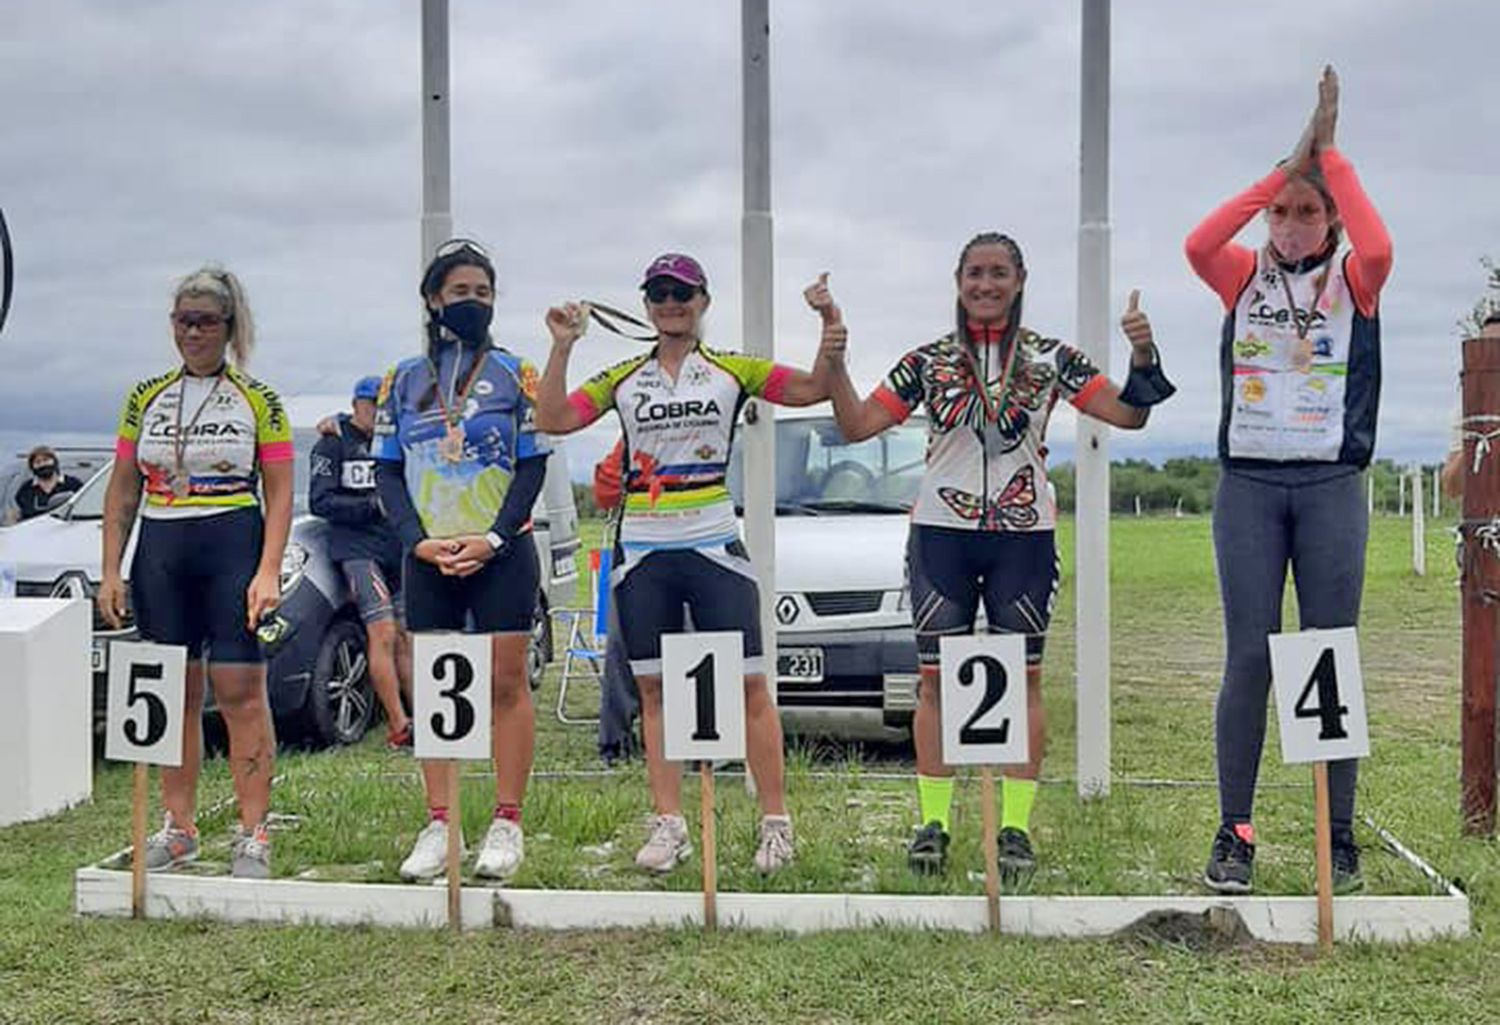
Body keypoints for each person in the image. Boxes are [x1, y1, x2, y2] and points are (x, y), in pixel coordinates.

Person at [821, 233, 1172, 883]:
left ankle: (1014, 827)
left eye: (999, 273)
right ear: (957, 281)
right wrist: (834, 359)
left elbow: (1127, 416)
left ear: (1020, 280)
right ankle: (935, 823)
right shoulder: (927, 361)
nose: (986, 284)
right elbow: (857, 425)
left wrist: (1143, 352)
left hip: (1023, 533)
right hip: (941, 532)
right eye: (975, 273)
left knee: (1024, 679)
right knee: (933, 681)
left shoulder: (1050, 358)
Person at [536, 252, 841, 874]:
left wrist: (829, 330)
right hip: (643, 550)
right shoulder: (624, 376)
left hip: (713, 543)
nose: (671, 303)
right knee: (654, 690)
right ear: (646, 305)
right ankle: (669, 823)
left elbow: (811, 389)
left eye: (683, 293)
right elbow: (553, 419)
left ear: (704, 301)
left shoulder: (732, 369)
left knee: (751, 686)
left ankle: (776, 825)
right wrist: (563, 346)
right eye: (659, 294)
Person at [1184, 66, 1392, 894]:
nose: (1293, 223)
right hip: (1250, 490)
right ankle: (1235, 828)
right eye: (1282, 211)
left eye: (1309, 211)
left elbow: (1379, 245)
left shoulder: (1355, 281)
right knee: (1250, 656)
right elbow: (1198, 242)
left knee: (1326, 653)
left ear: (1331, 217)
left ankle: (1335, 833)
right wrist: (1282, 168)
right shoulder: (1242, 275)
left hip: (1331, 482)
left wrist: (1329, 152)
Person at [97, 266, 293, 879]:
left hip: (232, 539)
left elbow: (282, 492)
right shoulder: (146, 396)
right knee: (170, 695)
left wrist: (267, 571)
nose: (193, 332)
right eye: (183, 321)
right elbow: (122, 490)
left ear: (229, 326)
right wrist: (110, 569)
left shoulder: (258, 397)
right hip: (162, 546)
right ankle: (178, 828)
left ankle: (254, 831)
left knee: (239, 693)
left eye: (206, 321)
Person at [373, 239, 550, 883]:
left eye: (483, 293)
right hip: (428, 553)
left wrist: (497, 538)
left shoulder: (517, 373)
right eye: (460, 292)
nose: (472, 303)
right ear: (432, 299)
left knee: (505, 682)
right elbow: (387, 473)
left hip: (500, 550)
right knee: (437, 686)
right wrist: (415, 540)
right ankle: (441, 821)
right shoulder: (401, 379)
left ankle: (507, 821)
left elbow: (532, 466)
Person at [309, 376, 413, 748]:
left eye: (385, 405)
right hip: (357, 551)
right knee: (381, 632)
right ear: (356, 404)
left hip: (396, 549)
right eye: (372, 404)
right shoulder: (332, 442)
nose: (378, 412)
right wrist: (370, 507)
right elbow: (320, 501)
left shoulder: (394, 440)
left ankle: (422, 717)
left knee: (406, 636)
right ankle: (398, 724)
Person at [1443, 311, 1500, 500]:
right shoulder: (1467, 408)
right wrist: (1479, 433)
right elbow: (1452, 488)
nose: (1492, 354)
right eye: (1485, 346)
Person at [15, 445, 83, 520]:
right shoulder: (26, 489)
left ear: (54, 461)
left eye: (46, 460)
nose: (42, 464)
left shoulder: (73, 484)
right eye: (38, 462)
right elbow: (18, 514)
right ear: (32, 467)